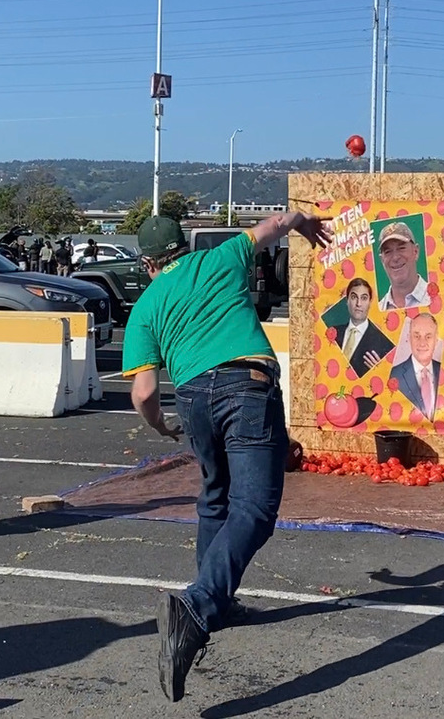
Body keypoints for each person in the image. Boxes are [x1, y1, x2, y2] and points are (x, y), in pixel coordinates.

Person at [121, 211, 332, 702]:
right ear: (185, 243)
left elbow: (144, 391)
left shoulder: (147, 304)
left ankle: (216, 601)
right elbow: (275, 224)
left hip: (193, 400)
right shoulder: (222, 256)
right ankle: (197, 606)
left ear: (149, 261)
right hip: (246, 385)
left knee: (215, 496)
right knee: (255, 509)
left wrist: (160, 425)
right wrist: (301, 223)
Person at [334, 278, 395, 377]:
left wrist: (381, 372)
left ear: (370, 302)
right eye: (354, 297)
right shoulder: (333, 333)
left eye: (364, 298)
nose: (358, 304)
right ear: (347, 300)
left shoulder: (384, 343)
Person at [389, 313, 441, 420]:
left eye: (428, 337)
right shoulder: (393, 375)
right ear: (409, 338)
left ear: (436, 340)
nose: (422, 343)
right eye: (417, 336)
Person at [377, 221, 431, 310]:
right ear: (382, 260)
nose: (395, 257)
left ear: (416, 251)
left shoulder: (437, 298)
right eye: (388, 252)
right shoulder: (377, 311)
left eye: (401, 248)